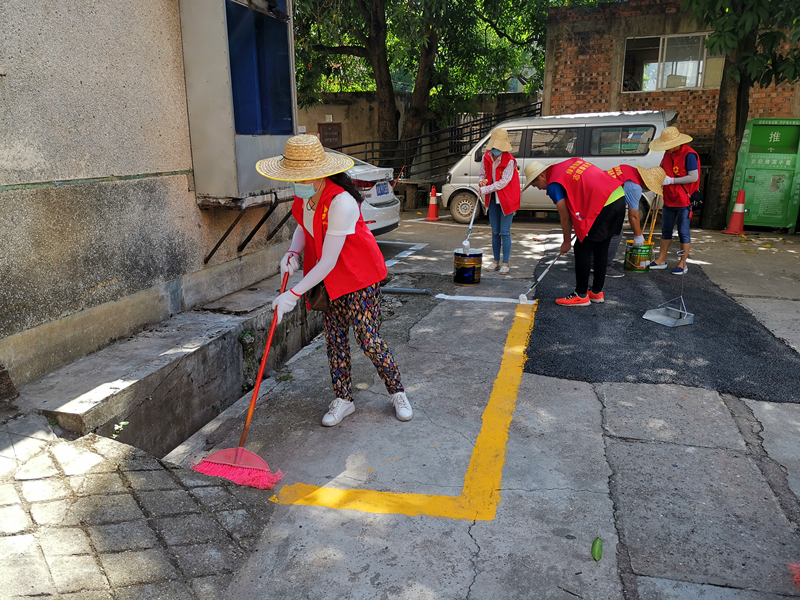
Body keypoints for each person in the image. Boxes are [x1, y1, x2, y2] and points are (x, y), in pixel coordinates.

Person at [255, 135, 412, 427]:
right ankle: (343, 399)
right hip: (328, 281)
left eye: (301, 177)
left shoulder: (341, 202)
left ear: (319, 174)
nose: (296, 182)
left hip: (358, 276)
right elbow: (303, 226)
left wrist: (292, 294)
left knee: (369, 340)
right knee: (335, 340)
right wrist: (293, 251)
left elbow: (329, 261)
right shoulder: (305, 195)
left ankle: (397, 392)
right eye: (293, 177)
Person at [524, 158, 626, 306]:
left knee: (581, 248)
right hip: (618, 196)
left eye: (535, 185)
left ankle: (581, 295)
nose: (538, 188)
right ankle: (596, 292)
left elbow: (565, 217)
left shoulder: (553, 184)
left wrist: (566, 242)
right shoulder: (565, 166)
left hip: (603, 203)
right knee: (601, 247)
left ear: (542, 176)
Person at [647, 126, 700, 275]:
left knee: (683, 232)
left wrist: (671, 180)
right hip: (669, 197)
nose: (666, 148)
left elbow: (693, 177)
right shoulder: (667, 154)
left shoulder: (689, 155)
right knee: (666, 230)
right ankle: (661, 259)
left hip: (684, 199)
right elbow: (662, 171)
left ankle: (683, 263)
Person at [603, 164, 665, 277]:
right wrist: (638, 235)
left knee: (600, 233)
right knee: (615, 233)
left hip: (598, 195)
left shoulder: (627, 168)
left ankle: (594, 262)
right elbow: (633, 216)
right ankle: (603, 267)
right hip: (604, 202)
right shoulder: (635, 187)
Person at [478, 128, 521, 275]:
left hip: (507, 199)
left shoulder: (510, 161)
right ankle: (496, 261)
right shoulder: (486, 157)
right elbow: (482, 173)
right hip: (492, 198)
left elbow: (504, 182)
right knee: (495, 232)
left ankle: (505, 263)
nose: (496, 150)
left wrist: (485, 189)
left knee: (505, 233)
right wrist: (482, 181)